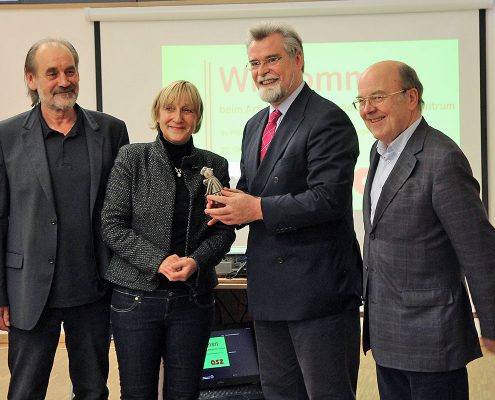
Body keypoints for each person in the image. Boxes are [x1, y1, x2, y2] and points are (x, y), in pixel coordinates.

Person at [205, 23, 362, 400]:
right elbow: (257, 190)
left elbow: (328, 199)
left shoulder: (328, 119)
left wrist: (255, 208)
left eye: (272, 59)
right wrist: (226, 203)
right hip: (268, 294)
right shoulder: (254, 124)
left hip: (318, 295)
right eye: (254, 63)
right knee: (278, 393)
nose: (262, 70)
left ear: (298, 58)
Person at [357, 60, 495, 400]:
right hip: (387, 335)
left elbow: (478, 249)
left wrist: (491, 323)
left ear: (411, 97)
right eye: (360, 100)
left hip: (432, 340)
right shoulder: (380, 153)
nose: (367, 109)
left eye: (377, 97)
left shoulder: (442, 158)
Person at [0, 38, 129, 399]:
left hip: (92, 289)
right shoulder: (6, 137)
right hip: (28, 293)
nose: (64, 80)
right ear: (31, 79)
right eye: (52, 72)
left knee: (92, 391)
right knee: (25, 392)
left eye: (70, 70)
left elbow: (124, 211)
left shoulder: (111, 131)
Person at [101, 80, 235, 400]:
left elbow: (224, 229)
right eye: (170, 109)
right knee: (136, 394)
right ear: (158, 114)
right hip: (136, 301)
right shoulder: (132, 158)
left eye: (187, 110)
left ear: (197, 117)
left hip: (192, 301)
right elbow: (111, 226)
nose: (178, 117)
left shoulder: (214, 165)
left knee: (185, 394)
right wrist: (158, 261)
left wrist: (196, 261)